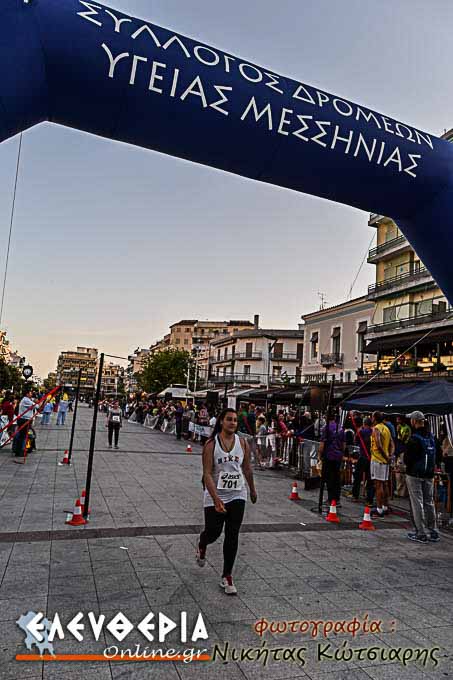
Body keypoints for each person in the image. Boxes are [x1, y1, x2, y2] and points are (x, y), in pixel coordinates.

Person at [196, 408, 257, 596]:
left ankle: (227, 575)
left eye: (235, 420)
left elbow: (247, 468)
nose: (232, 423)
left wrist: (252, 489)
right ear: (221, 422)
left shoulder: (243, 443)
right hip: (216, 494)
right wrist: (216, 499)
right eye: (229, 419)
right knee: (213, 532)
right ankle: (203, 543)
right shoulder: (211, 444)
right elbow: (207, 474)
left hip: (237, 494)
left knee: (232, 534)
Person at [404, 411, 440, 543]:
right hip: (429, 475)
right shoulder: (432, 437)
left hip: (414, 475)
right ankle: (433, 531)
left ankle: (420, 533)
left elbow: (408, 459)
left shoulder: (414, 439)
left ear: (414, 421)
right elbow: (438, 455)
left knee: (417, 503)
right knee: (429, 502)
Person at [370, 411, 394, 518]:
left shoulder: (376, 429)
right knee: (385, 484)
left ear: (374, 418)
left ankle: (379, 509)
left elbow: (378, 444)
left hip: (378, 459)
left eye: (372, 417)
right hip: (385, 461)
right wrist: (390, 456)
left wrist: (386, 457)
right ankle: (385, 507)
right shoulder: (386, 428)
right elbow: (392, 444)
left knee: (378, 485)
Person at [318, 415, 345, 506]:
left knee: (329, 478)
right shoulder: (340, 428)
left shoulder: (326, 428)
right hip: (338, 456)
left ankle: (331, 499)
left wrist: (319, 456)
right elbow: (344, 444)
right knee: (337, 478)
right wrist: (341, 453)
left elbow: (322, 444)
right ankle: (337, 499)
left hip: (329, 456)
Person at [351, 416, 374, 505]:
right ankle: (369, 499)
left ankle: (355, 496)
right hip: (371, 458)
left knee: (357, 477)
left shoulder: (361, 431)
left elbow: (355, 441)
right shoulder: (373, 431)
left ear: (364, 424)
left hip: (363, 457)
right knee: (370, 479)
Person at [12, 388, 35, 457]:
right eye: (30, 393)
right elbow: (36, 406)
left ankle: (17, 450)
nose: (31, 394)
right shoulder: (26, 400)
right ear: (27, 394)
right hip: (24, 419)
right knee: (23, 436)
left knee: (21, 435)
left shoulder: (26, 400)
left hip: (24, 419)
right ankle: (20, 451)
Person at [395, 415, 411, 497]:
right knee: (398, 471)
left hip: (404, 450)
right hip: (399, 451)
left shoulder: (406, 428)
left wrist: (398, 432)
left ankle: (403, 492)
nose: (397, 421)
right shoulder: (400, 426)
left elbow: (403, 440)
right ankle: (399, 491)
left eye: (398, 420)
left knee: (402, 471)